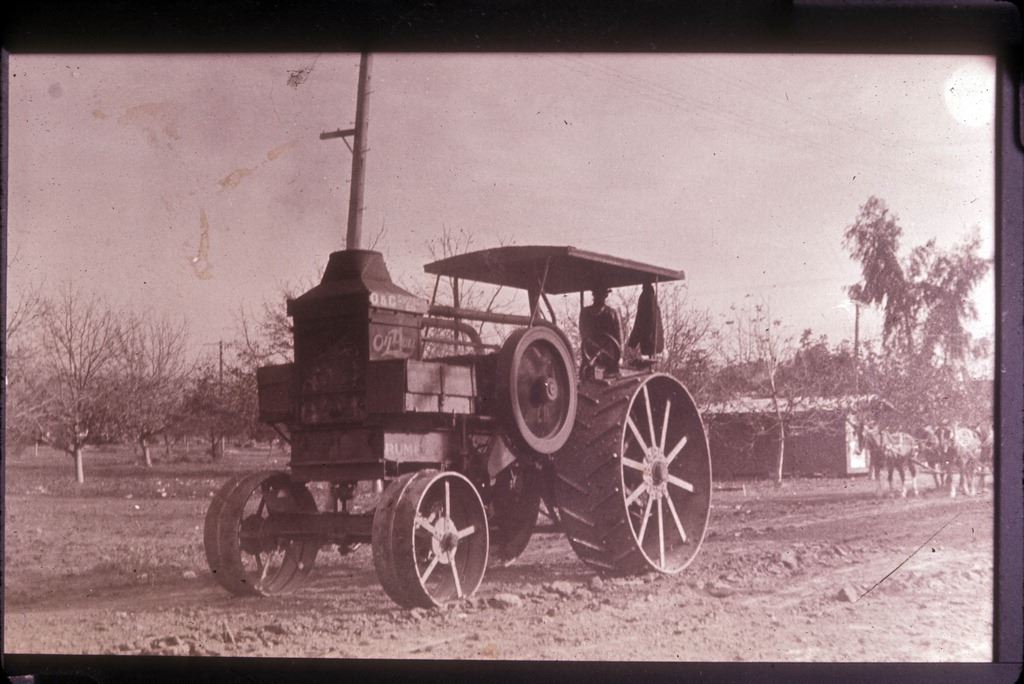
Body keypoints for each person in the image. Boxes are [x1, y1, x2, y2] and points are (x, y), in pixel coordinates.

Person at [579, 287, 622, 379]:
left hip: (608, 356)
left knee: (611, 375)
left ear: (605, 296)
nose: (600, 297)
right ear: (594, 295)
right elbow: (583, 333)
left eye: (602, 295)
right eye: (598, 294)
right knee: (585, 373)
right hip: (590, 353)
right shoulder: (585, 313)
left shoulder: (612, 313)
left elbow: (619, 338)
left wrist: (619, 356)